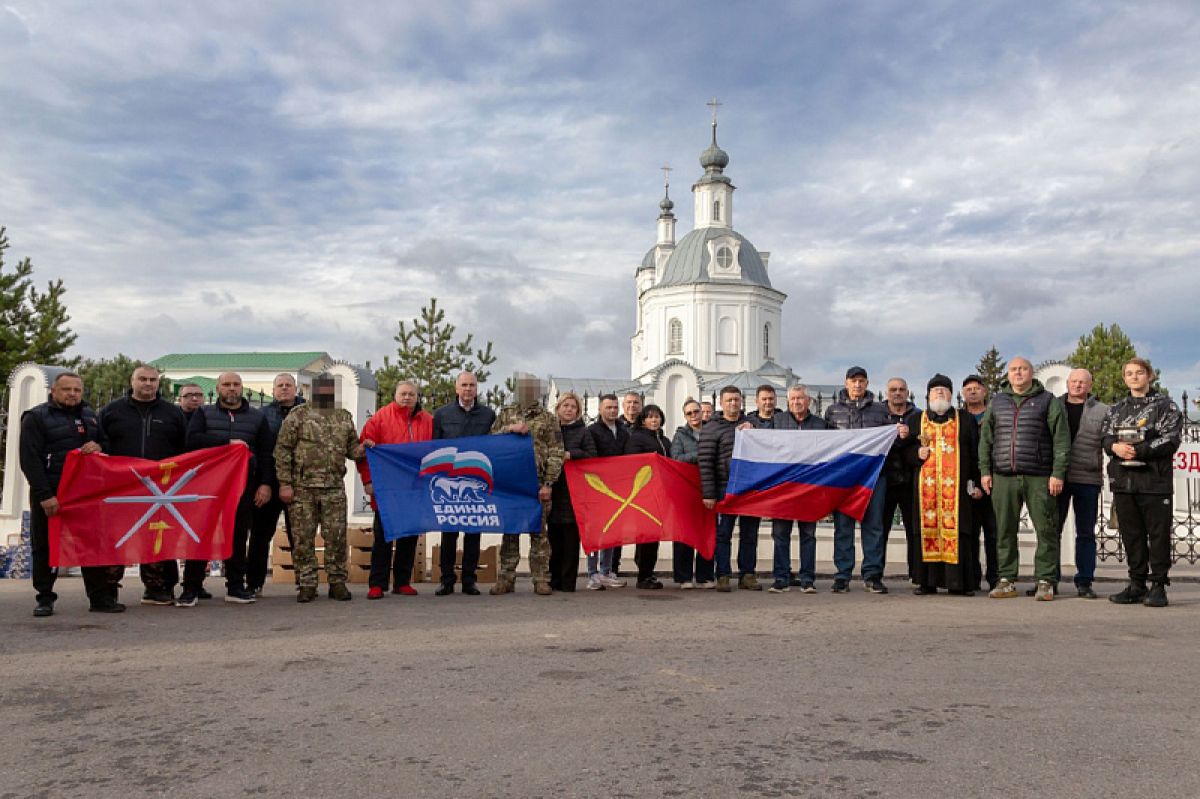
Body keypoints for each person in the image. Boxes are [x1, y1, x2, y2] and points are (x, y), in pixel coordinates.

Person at [20, 371, 121, 616]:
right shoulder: (36, 417)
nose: (72, 394)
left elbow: (107, 446)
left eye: (77, 390)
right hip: (52, 492)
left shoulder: (90, 416)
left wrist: (99, 446)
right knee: (45, 545)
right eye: (67, 389)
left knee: (91, 544)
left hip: (86, 493)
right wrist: (44, 495)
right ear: (53, 391)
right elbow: (29, 459)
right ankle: (45, 597)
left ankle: (99, 598)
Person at [98, 365, 191, 606]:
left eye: (152, 379)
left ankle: (157, 587)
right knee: (117, 537)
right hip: (121, 487)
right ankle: (108, 590)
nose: (148, 383)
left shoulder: (173, 413)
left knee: (157, 536)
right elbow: (100, 444)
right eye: (142, 379)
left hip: (160, 488)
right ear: (132, 381)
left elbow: (185, 448)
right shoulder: (111, 411)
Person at [978, 357, 1070, 601]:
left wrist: (1057, 473)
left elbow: (1061, 439)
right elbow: (986, 439)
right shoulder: (997, 402)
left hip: (1039, 477)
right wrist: (985, 471)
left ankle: (1045, 581)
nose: (1018, 373)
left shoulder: (1048, 401)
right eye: (1013, 369)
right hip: (1003, 477)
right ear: (1008, 374)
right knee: (1004, 530)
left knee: (1046, 529)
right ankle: (1006, 579)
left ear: (1032, 373)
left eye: (1023, 369)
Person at [274, 375, 365, 603]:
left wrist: (364, 449)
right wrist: (285, 484)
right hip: (303, 488)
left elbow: (352, 449)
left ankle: (337, 582)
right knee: (303, 538)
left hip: (333, 487)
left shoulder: (343, 417)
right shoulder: (298, 415)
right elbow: (283, 450)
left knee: (336, 536)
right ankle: (307, 583)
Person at [186, 372, 274, 604]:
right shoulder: (203, 413)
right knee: (201, 533)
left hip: (243, 485)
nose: (232, 388)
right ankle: (191, 587)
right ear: (218, 388)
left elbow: (266, 453)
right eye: (226, 384)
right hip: (207, 484)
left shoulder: (257, 417)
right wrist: (227, 444)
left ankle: (235, 586)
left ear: (242, 388)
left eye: (236, 384)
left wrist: (265, 484)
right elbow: (192, 440)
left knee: (237, 535)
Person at [1102, 358, 1183, 607]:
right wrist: (1115, 447)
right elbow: (1106, 438)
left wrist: (1139, 450)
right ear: (1124, 378)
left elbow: (1171, 439)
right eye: (1129, 373)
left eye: (1139, 372)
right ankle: (1137, 584)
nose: (1134, 377)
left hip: (1154, 481)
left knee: (1158, 535)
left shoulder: (1166, 406)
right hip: (1124, 482)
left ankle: (1158, 586)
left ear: (1149, 375)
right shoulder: (1116, 409)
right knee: (1132, 535)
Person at [906, 375, 982, 595]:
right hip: (925, 492)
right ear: (928, 395)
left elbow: (976, 452)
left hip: (957, 491)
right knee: (925, 532)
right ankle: (926, 582)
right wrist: (915, 453)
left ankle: (959, 583)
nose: (939, 392)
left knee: (961, 533)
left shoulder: (965, 419)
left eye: (944, 389)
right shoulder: (916, 420)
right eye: (935, 389)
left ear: (951, 395)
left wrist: (976, 482)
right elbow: (903, 452)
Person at [489, 375, 565, 596]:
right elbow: (491, 443)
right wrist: (509, 429)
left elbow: (556, 452)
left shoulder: (548, 419)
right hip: (511, 485)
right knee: (510, 534)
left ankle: (541, 579)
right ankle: (506, 578)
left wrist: (548, 483)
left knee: (539, 534)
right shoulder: (506, 414)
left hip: (537, 484)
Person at [357, 380, 433, 599]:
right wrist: (367, 480)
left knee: (409, 537)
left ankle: (402, 582)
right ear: (395, 395)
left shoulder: (428, 421)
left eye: (411, 394)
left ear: (417, 397)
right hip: (387, 488)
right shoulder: (379, 419)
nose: (407, 397)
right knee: (383, 537)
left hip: (414, 489)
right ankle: (377, 584)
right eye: (403, 394)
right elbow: (363, 452)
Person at [823, 366, 894, 594]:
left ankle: (872, 575)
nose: (857, 385)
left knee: (873, 527)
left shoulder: (880, 410)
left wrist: (898, 432)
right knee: (843, 527)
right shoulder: (833, 411)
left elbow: (889, 442)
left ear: (867, 383)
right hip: (843, 479)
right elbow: (824, 445)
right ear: (846, 383)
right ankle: (842, 575)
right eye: (853, 381)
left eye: (861, 381)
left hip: (873, 478)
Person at [432, 371, 497, 596]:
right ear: (456, 388)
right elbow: (434, 445)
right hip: (450, 480)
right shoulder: (442, 414)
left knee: (473, 532)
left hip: (476, 480)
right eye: (464, 385)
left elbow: (496, 444)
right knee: (449, 532)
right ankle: (446, 580)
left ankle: (469, 580)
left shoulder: (488, 414)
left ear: (476, 389)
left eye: (472, 385)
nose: (468, 389)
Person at [247, 373, 305, 596]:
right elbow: (258, 451)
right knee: (260, 536)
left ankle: (304, 582)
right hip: (268, 484)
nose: (284, 388)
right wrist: (264, 482)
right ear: (273, 391)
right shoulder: (261, 415)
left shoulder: (309, 413)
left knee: (300, 536)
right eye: (280, 385)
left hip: (300, 485)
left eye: (288, 385)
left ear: (296, 389)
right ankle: (254, 583)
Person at [699, 386, 759, 592]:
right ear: (721, 403)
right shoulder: (711, 428)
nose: (733, 403)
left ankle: (747, 574)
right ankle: (723, 574)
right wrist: (709, 494)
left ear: (741, 401)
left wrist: (754, 430)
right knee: (723, 534)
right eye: (729, 400)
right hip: (724, 489)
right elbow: (705, 462)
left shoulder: (752, 424)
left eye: (736, 399)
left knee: (749, 535)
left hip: (749, 489)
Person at [1055, 368, 1109, 598]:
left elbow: (1109, 441)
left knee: (1086, 533)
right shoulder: (1054, 406)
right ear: (1067, 383)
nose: (1077, 385)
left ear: (1090, 385)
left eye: (1082, 382)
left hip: (1088, 478)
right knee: (1052, 531)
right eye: (1074, 381)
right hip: (1058, 478)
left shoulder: (1103, 410)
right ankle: (1049, 579)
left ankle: (1084, 581)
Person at [768, 384, 826, 593]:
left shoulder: (821, 425)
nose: (796, 402)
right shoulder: (777, 422)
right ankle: (781, 578)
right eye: (792, 399)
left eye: (800, 398)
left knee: (808, 535)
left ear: (808, 401)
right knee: (780, 534)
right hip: (783, 488)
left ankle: (807, 579)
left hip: (809, 488)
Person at [547, 391, 596, 592]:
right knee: (553, 538)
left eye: (573, 407)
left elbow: (592, 455)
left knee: (570, 540)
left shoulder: (583, 432)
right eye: (565, 406)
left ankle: (568, 582)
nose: (569, 409)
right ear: (558, 408)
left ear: (578, 411)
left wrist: (571, 454)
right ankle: (553, 580)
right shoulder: (550, 430)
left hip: (573, 492)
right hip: (552, 489)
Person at [624, 404, 672, 589]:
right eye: (650, 417)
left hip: (661, 494)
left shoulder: (665, 440)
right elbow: (631, 463)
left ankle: (648, 571)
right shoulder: (637, 438)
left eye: (657, 417)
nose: (654, 420)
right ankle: (643, 575)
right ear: (643, 420)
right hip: (644, 494)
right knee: (647, 535)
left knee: (654, 535)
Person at [175, 382, 214, 601]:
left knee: (199, 533)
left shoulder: (209, 418)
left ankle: (195, 582)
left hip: (202, 482)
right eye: (189, 395)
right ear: (180, 399)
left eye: (198, 395)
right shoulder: (173, 418)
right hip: (174, 483)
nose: (194, 399)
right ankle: (162, 584)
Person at [584, 393, 627, 589]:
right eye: (608, 407)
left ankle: (606, 571)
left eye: (615, 407)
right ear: (600, 409)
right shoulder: (591, 431)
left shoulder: (624, 431)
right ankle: (592, 574)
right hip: (597, 487)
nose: (612, 411)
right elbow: (590, 456)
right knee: (594, 532)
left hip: (617, 489)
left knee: (612, 530)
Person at [671, 398, 714, 589]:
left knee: (706, 531)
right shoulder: (680, 435)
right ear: (685, 416)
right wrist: (700, 455)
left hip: (708, 488)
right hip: (686, 489)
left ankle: (705, 576)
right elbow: (676, 458)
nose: (694, 415)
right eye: (689, 413)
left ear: (702, 412)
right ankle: (684, 577)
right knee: (685, 533)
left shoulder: (711, 432)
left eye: (696, 411)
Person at [881, 377, 920, 582]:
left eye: (901, 389)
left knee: (914, 531)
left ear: (907, 392)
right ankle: (876, 574)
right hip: (884, 480)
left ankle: (916, 574)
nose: (897, 393)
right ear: (887, 392)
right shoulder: (879, 414)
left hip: (910, 481)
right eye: (893, 389)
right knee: (880, 530)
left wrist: (909, 435)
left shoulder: (918, 416)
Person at [962, 374, 998, 590]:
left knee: (994, 533)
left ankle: (995, 578)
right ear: (963, 394)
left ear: (985, 392)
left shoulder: (994, 415)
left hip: (993, 482)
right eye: (968, 389)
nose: (973, 392)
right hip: (968, 483)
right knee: (970, 534)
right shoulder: (958, 419)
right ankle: (972, 578)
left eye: (977, 388)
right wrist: (970, 484)